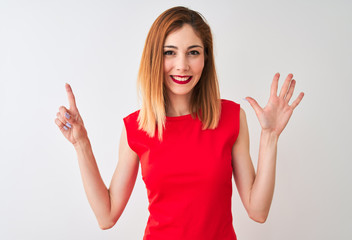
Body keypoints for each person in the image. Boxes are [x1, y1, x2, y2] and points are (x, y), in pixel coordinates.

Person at [55, 6, 304, 240]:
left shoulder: (231, 117)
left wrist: (270, 136)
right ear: (155, 58)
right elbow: (106, 216)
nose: (182, 65)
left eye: (193, 52)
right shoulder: (136, 127)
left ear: (205, 58)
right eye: (169, 52)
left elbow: (257, 211)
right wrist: (81, 144)